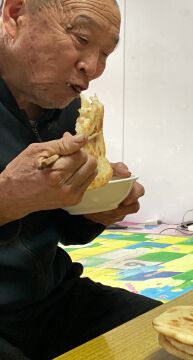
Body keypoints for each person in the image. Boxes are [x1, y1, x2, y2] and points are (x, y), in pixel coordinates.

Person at [0, 0, 160, 358]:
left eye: (105, 52)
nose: (94, 67)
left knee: (178, 334)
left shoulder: (67, 108)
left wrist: (96, 208)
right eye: (81, 37)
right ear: (15, 15)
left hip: (50, 298)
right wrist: (7, 198)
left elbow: (59, 226)